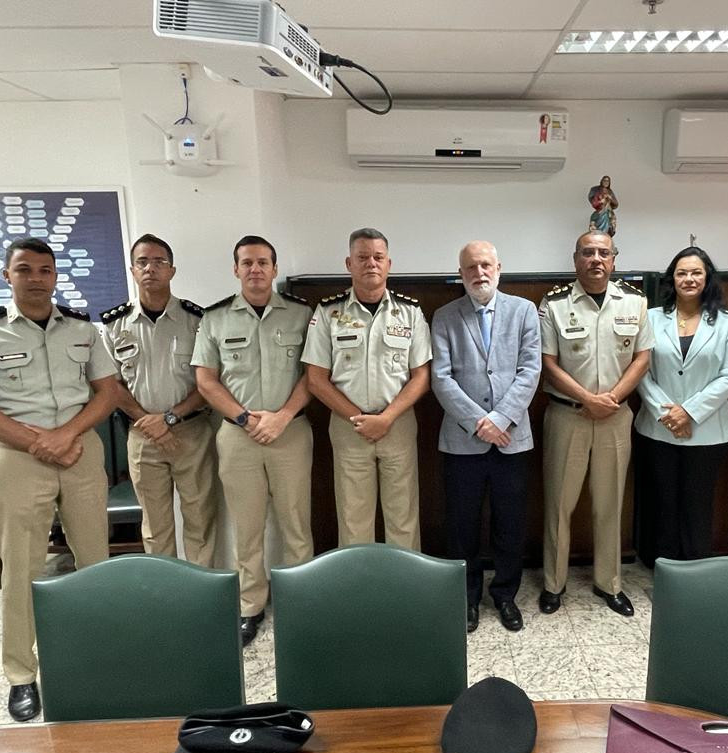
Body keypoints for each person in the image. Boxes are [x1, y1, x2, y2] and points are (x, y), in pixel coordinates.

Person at [0, 237, 119, 721]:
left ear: (56, 276)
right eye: (25, 269)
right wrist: (38, 442)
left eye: (45, 270)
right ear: (8, 274)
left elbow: (108, 392)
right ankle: (20, 674)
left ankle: (98, 656)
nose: (36, 278)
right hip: (18, 456)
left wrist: (67, 434)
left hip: (79, 449)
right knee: (22, 568)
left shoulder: (82, 329)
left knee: (95, 560)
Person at [192, 235, 314, 646]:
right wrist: (246, 418)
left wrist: (281, 417)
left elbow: (313, 376)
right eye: (247, 263)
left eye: (263, 262)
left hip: (290, 432)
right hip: (237, 435)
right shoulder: (215, 319)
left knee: (297, 524)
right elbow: (205, 381)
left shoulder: (302, 315)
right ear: (236, 269)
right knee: (247, 528)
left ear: (275, 269)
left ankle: (300, 604)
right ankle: (251, 606)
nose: (255, 269)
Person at [538, 230, 651, 616]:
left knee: (610, 503)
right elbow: (547, 364)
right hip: (568, 416)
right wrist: (588, 399)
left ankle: (609, 583)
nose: (596, 259)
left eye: (604, 253)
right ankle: (554, 584)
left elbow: (642, 357)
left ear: (614, 259)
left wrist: (612, 399)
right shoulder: (553, 304)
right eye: (588, 253)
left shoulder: (635, 302)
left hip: (615, 418)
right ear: (576, 259)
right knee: (559, 504)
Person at [431, 241, 541, 632]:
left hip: (512, 438)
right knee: (462, 524)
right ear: (461, 274)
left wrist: (501, 419)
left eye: (486, 265)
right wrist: (480, 422)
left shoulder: (524, 311)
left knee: (510, 522)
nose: (479, 273)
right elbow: (440, 378)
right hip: (463, 440)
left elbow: (531, 369)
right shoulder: (445, 315)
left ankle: (505, 595)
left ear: (499, 268)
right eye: (471, 267)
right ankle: (467, 598)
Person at [304, 228, 431, 550]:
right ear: (349, 263)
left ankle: (404, 591)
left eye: (378, 257)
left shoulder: (410, 312)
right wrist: (359, 418)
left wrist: (386, 418)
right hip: (349, 428)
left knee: (403, 516)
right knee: (354, 517)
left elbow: (421, 376)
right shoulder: (329, 312)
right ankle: (360, 592)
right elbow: (316, 378)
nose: (370, 264)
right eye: (362, 257)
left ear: (389, 263)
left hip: (398, 425)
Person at [100, 234, 218, 566]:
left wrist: (169, 418)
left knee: (200, 522)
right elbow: (111, 383)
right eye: (143, 262)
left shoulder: (198, 320)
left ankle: (200, 594)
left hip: (191, 434)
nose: (150, 268)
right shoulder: (114, 324)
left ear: (172, 270)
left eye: (159, 262)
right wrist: (147, 420)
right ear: (133, 269)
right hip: (142, 435)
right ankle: (167, 596)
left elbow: (208, 381)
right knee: (155, 527)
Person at [635, 246, 728, 561]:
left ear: (707, 277)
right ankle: (664, 566)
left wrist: (690, 413)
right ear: (673, 279)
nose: (689, 279)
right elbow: (641, 371)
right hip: (658, 429)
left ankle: (695, 568)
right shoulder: (651, 318)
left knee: (698, 503)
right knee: (662, 502)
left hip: (708, 431)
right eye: (682, 273)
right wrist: (667, 413)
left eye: (696, 272)